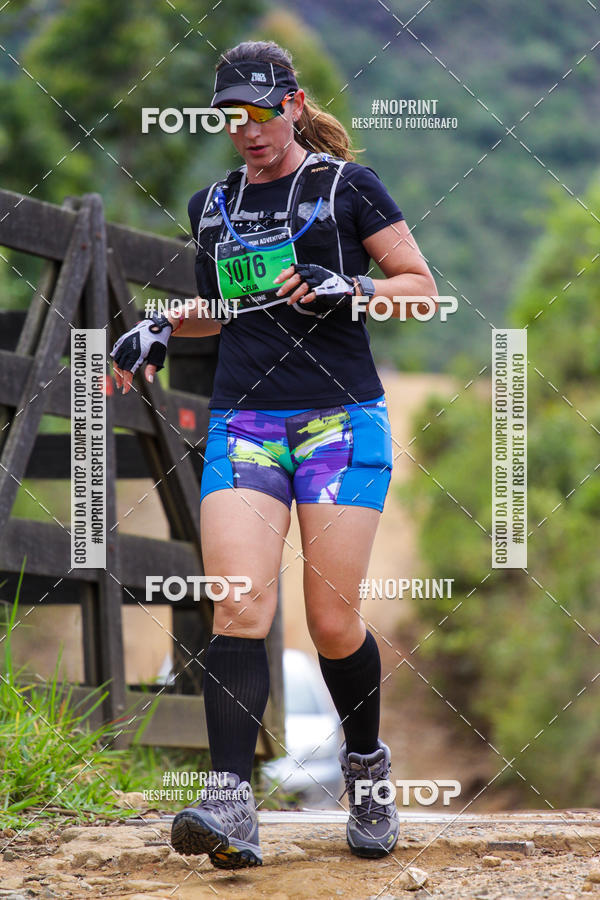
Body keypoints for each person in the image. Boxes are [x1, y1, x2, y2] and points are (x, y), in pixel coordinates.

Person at [110, 39, 437, 870]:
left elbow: (420, 288)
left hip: (339, 422)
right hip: (246, 423)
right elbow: (228, 309)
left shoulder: (347, 188)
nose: (247, 129)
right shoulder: (212, 205)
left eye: (260, 112)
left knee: (331, 621)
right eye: (231, 117)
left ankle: (365, 770)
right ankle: (231, 803)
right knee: (239, 607)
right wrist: (161, 323)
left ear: (292, 106)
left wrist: (353, 287)